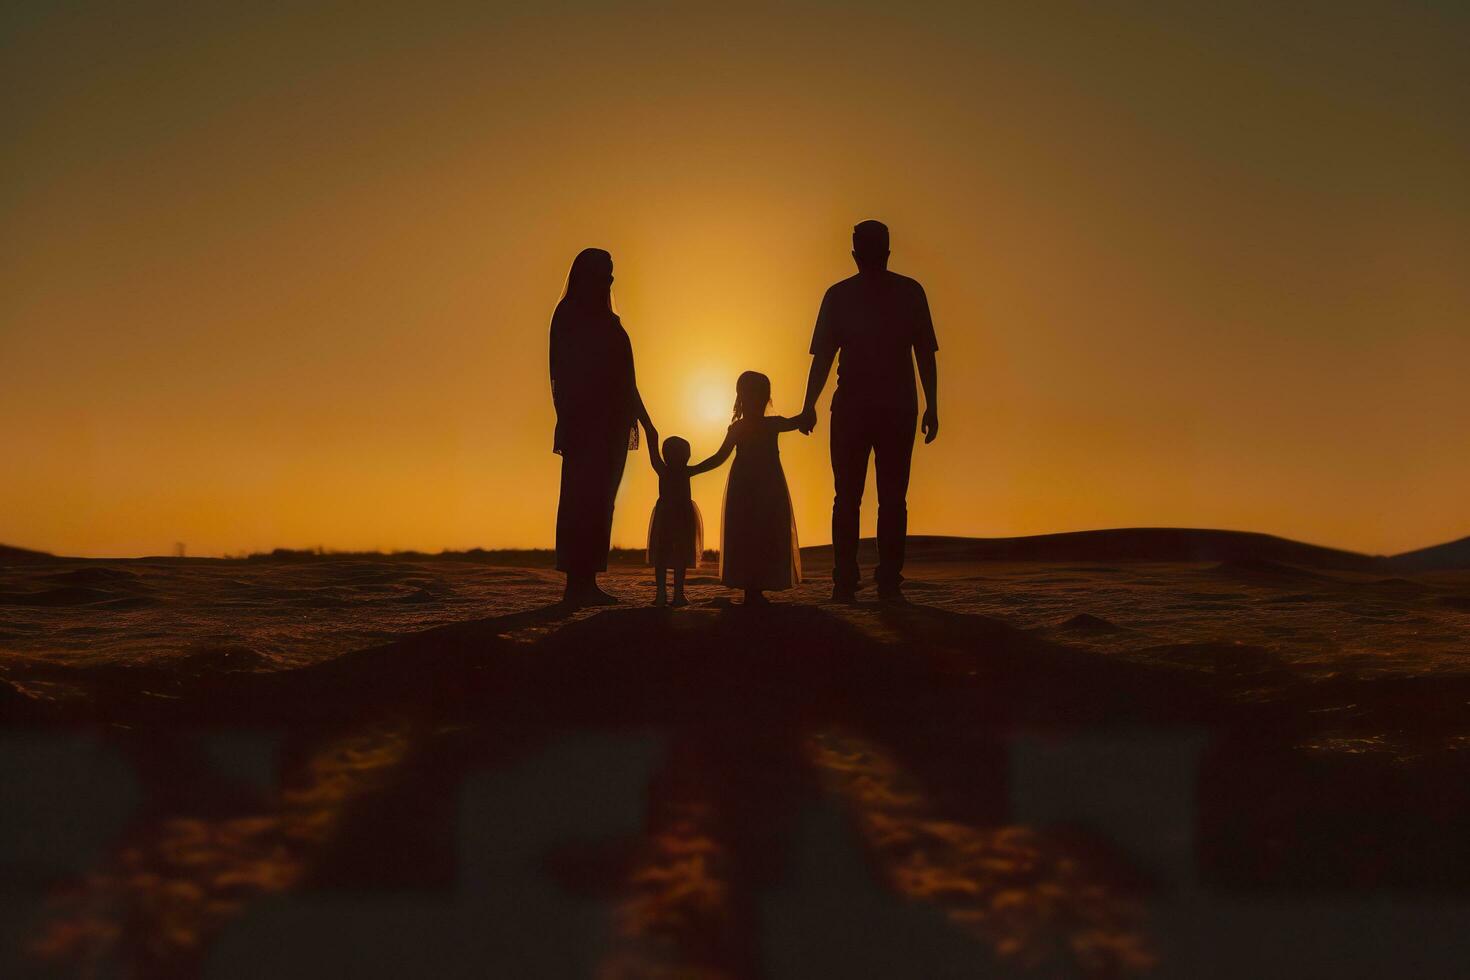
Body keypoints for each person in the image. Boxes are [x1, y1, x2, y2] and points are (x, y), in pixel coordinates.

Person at [797, 220, 939, 604]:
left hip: (858, 409)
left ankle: (850, 581)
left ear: (855, 254)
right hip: (893, 408)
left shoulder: (840, 295)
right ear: (887, 252)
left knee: (850, 497)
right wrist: (932, 404)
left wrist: (809, 403)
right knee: (889, 499)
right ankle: (882, 581)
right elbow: (924, 353)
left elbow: (824, 358)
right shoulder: (909, 292)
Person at [548, 248, 654, 606]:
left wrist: (647, 423)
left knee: (602, 502)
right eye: (604, 272)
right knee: (581, 500)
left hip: (612, 425)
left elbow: (627, 381)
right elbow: (564, 375)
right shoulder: (570, 316)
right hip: (585, 424)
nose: (610, 280)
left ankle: (588, 580)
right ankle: (576, 584)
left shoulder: (610, 322)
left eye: (611, 273)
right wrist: (577, 418)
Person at [697, 371, 803, 606]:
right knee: (751, 531)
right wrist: (692, 470)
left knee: (760, 531)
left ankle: (754, 590)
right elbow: (718, 457)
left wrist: (691, 470)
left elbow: (718, 458)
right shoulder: (748, 427)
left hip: (758, 485)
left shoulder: (760, 425)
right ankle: (753, 590)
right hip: (753, 485)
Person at [640, 430, 718, 607]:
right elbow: (712, 462)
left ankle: (665, 595)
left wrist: (649, 430)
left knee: (667, 556)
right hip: (679, 516)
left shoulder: (663, 470)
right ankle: (675, 595)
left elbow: (653, 448)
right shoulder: (684, 471)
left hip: (671, 515)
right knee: (675, 556)